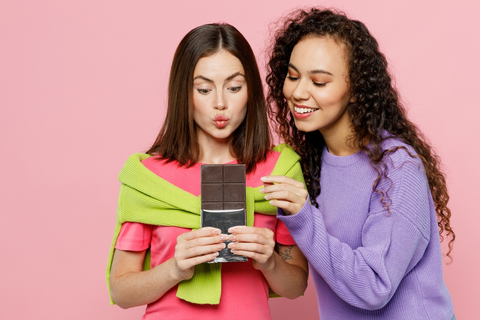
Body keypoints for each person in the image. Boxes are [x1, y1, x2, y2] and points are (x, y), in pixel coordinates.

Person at [261, 8, 456, 320]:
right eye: (293, 76)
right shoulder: (309, 165)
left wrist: (303, 217)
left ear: (355, 90)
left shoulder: (397, 168)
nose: (298, 92)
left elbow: (374, 286)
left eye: (319, 82)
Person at [105, 23, 308, 320]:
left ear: (251, 89)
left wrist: (270, 262)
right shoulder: (148, 178)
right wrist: (175, 268)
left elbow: (296, 285)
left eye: (234, 87)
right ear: (184, 93)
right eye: (203, 89)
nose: (220, 104)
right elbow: (120, 291)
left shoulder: (279, 170)